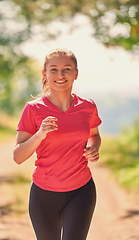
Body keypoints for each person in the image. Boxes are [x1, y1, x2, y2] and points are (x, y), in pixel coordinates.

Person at [13, 48, 102, 240]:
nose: (60, 74)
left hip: (82, 190)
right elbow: (18, 156)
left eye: (67, 69)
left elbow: (94, 135)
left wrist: (94, 148)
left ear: (76, 74)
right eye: (53, 69)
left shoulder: (88, 106)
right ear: (44, 74)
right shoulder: (33, 109)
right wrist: (39, 135)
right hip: (44, 195)